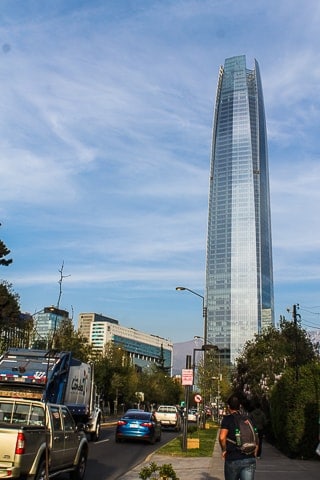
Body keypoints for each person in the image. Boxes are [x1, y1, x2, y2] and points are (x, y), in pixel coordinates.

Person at [219, 395, 258, 480]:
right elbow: (255, 436)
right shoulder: (248, 418)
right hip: (249, 457)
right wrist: (254, 452)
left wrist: (224, 450)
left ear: (228, 406)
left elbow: (222, 437)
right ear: (240, 406)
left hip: (233, 458)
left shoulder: (227, 419)